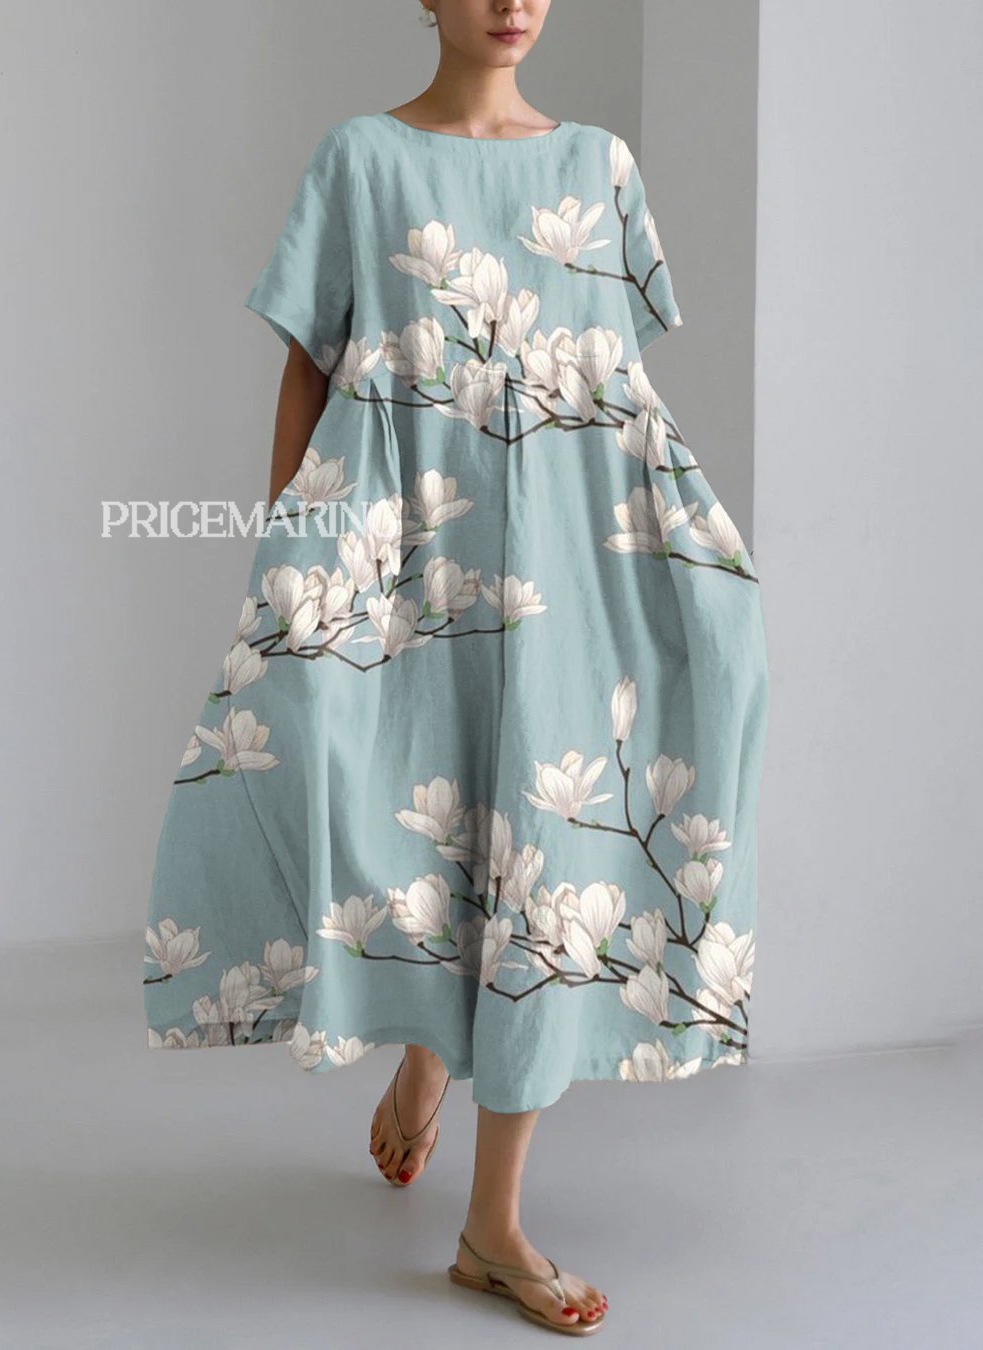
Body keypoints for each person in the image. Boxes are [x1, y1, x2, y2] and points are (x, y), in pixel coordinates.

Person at [143, 0, 770, 1335]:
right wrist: (290, 553)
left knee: (545, 848)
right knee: (381, 792)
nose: (512, 0)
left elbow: (619, 392)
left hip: (568, 569)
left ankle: (494, 1224)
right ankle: (432, 1042)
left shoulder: (599, 166)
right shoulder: (361, 158)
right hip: (400, 553)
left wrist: (691, 563)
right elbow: (310, 368)